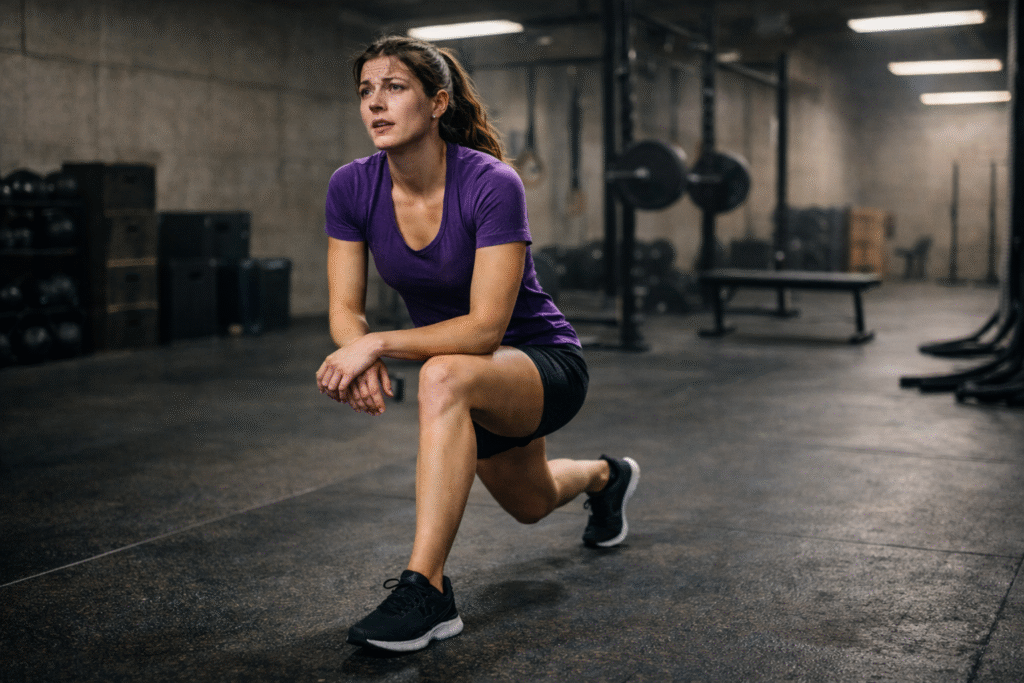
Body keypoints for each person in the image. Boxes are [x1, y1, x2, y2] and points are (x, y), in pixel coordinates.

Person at [315, 35, 639, 653]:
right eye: (365, 91)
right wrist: (357, 348)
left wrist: (374, 346)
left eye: (395, 88)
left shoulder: (492, 183)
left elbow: (485, 330)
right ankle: (606, 477)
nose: (375, 104)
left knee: (442, 373)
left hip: (543, 366)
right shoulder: (351, 187)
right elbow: (345, 309)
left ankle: (427, 591)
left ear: (438, 103)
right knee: (533, 501)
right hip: (472, 382)